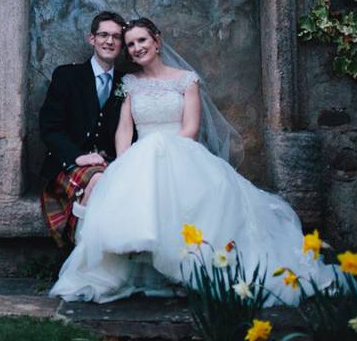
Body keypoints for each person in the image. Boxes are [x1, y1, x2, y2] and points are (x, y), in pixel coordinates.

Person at [49, 17, 336, 305]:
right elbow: (124, 129)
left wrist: (161, 150)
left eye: (142, 41)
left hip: (180, 153)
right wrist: (124, 164)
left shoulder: (186, 80)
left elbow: (190, 129)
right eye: (132, 44)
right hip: (139, 159)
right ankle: (148, 270)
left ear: (157, 41)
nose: (136, 48)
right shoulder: (130, 83)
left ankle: (191, 272)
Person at [39, 11, 127, 249]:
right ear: (92, 39)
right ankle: (81, 255)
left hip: (109, 162)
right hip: (69, 165)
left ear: (122, 43)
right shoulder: (67, 76)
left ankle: (93, 260)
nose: (109, 41)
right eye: (104, 35)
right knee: (98, 180)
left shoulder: (126, 82)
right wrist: (77, 156)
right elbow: (49, 128)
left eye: (116, 37)